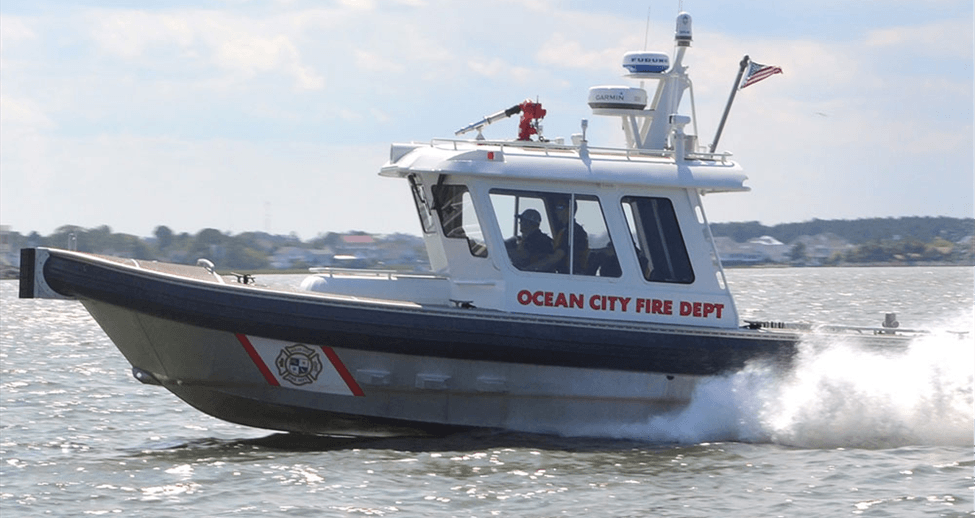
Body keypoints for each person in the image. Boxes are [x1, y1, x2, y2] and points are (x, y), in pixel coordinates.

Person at [550, 200, 589, 274]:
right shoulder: (564, 229)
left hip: (571, 275)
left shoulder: (574, 231)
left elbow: (558, 256)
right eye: (556, 208)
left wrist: (535, 267)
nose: (556, 211)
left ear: (569, 210)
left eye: (560, 207)